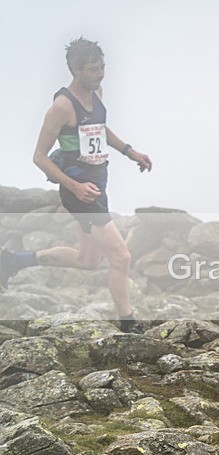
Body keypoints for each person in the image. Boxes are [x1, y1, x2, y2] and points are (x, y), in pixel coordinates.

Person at [0, 38, 152, 333]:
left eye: (103, 66)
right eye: (94, 69)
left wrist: (129, 151)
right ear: (76, 70)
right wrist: (73, 186)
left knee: (87, 260)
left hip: (96, 186)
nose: (101, 74)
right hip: (80, 192)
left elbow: (99, 129)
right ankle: (128, 323)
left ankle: (13, 261)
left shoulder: (96, 94)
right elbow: (39, 157)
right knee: (121, 256)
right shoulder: (61, 107)